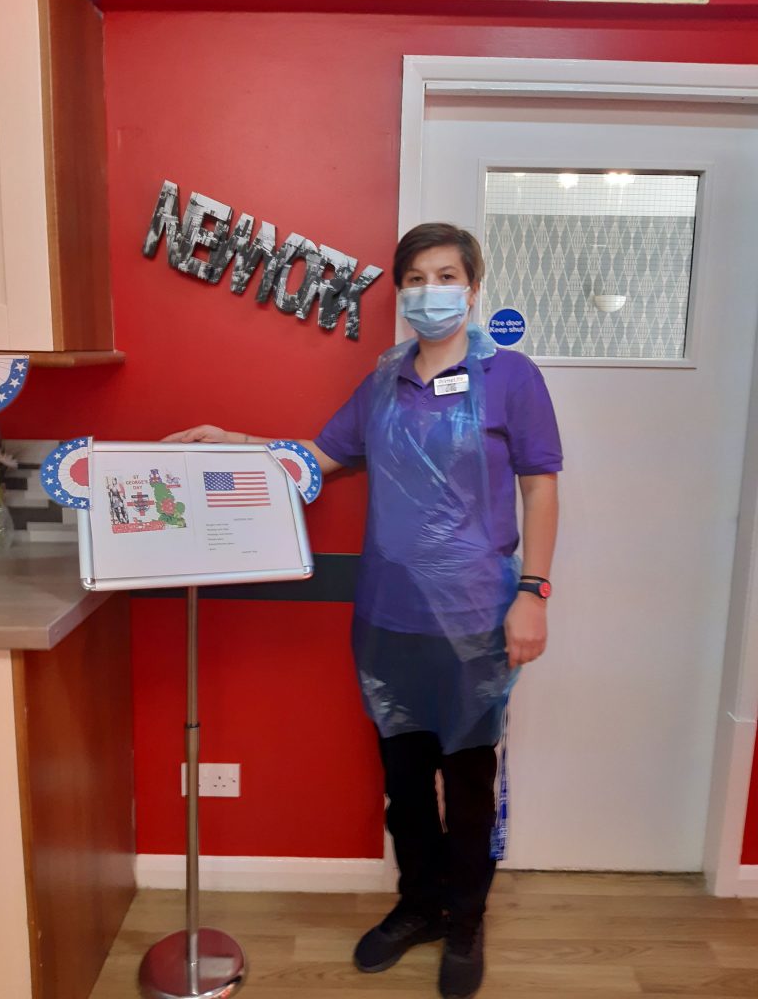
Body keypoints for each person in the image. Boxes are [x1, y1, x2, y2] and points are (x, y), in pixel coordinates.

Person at [164, 223, 562, 999]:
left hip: (476, 618)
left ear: (473, 288)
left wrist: (533, 593)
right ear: (401, 292)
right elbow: (317, 459)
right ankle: (419, 906)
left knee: (468, 781)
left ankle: (465, 920)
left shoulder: (510, 377)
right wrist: (232, 443)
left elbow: (540, 486)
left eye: (445, 275)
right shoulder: (383, 382)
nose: (429, 291)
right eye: (414, 278)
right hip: (387, 618)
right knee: (404, 783)